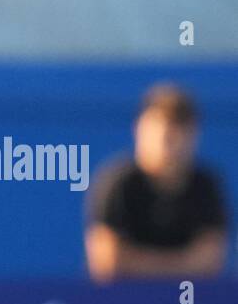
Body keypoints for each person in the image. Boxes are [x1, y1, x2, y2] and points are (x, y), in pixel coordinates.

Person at [85, 84, 229, 282]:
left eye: (178, 134)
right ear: (139, 129)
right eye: (163, 135)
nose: (170, 145)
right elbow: (107, 262)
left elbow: (211, 260)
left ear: (194, 135)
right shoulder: (118, 183)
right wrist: (183, 264)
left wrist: (138, 262)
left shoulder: (206, 186)